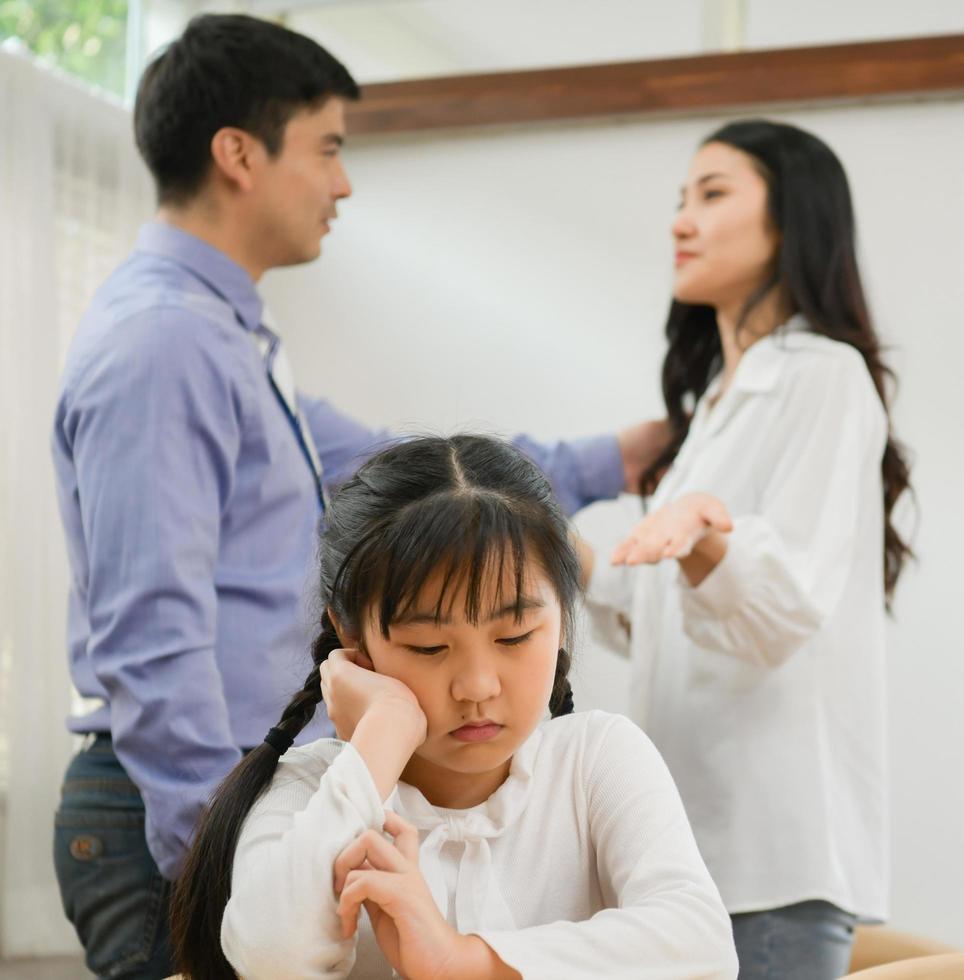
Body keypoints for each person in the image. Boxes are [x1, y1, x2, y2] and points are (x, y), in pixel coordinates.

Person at [50, 15, 665, 978]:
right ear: (238, 154)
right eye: (328, 148)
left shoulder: (228, 337)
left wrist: (606, 461)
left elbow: (402, 471)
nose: (342, 182)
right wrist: (219, 873)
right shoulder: (165, 344)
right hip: (176, 809)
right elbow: (150, 637)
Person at [168, 434, 737, 980]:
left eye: (514, 637)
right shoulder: (309, 794)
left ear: (562, 617)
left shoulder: (596, 761)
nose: (477, 686)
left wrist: (461, 961)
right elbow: (273, 961)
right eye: (428, 647)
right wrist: (382, 735)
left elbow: (701, 944)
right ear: (350, 636)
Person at [579, 118, 915, 979]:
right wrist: (562, 549)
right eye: (681, 201)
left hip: (768, 859)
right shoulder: (717, 410)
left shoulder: (823, 375)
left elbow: (782, 604)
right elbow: (654, 611)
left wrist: (701, 530)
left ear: (790, 220)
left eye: (713, 194)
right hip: (683, 856)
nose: (681, 222)